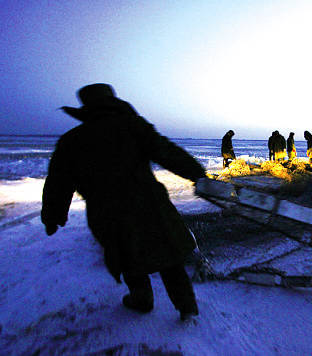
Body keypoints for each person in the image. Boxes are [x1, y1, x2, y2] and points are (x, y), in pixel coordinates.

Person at [42, 83, 206, 321]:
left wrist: (53, 216)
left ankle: (142, 299)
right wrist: (197, 174)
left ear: (86, 107)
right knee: (168, 253)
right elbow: (167, 152)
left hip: (106, 211)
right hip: (149, 203)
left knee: (126, 254)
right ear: (113, 101)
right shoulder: (133, 126)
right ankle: (186, 306)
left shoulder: (71, 140)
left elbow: (58, 183)